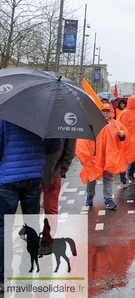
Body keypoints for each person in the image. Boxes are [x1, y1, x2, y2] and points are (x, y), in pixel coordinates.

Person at [0, 120, 60, 293]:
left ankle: (3, 276)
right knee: (32, 223)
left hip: (7, 178)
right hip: (34, 175)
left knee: (4, 227)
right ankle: (29, 266)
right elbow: (53, 145)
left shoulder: (5, 115)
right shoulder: (44, 117)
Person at [77, 103, 128, 209]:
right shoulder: (92, 124)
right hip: (95, 155)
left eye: (107, 111)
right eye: (103, 111)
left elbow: (122, 139)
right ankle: (90, 196)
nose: (105, 113)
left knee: (108, 177)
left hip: (109, 156)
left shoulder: (116, 124)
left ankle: (108, 199)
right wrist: (84, 155)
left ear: (111, 112)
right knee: (92, 176)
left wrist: (122, 136)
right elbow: (84, 138)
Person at [40, 138, 76, 255]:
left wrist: (61, 170)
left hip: (52, 171)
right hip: (35, 170)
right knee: (31, 208)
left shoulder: (63, 123)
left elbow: (69, 149)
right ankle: (39, 239)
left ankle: (47, 240)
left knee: (50, 208)